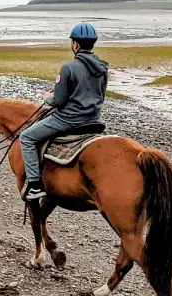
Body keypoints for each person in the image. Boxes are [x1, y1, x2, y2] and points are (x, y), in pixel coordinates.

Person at [19, 22, 108, 201]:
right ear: (92, 44)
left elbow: (58, 101)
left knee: (26, 138)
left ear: (75, 44)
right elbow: (101, 96)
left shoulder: (68, 68)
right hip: (94, 119)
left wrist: (47, 97)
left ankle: (35, 186)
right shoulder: (103, 68)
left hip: (69, 120)